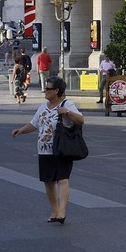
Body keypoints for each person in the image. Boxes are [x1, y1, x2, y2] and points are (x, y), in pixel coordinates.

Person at [12, 74, 86, 224]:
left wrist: (65, 112)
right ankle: (54, 210)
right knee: (48, 181)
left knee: (62, 179)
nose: (45, 91)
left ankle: (62, 211)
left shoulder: (67, 104)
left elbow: (81, 120)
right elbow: (34, 124)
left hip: (61, 148)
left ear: (56, 91)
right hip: (44, 150)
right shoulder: (43, 106)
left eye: (48, 89)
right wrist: (21, 130)